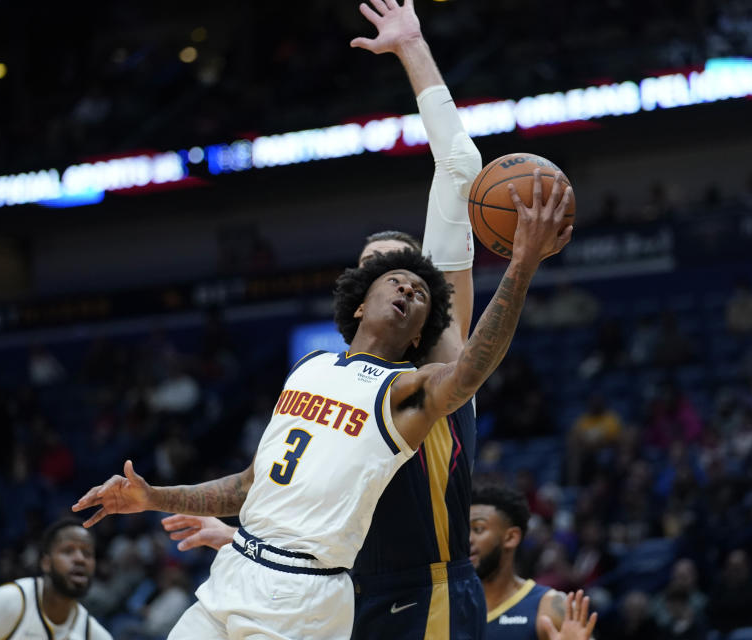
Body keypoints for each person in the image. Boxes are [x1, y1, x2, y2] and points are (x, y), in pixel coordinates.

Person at [72, 153, 573, 640]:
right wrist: (152, 497)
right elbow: (250, 485)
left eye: (420, 294)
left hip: (304, 598)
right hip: (235, 572)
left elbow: (470, 370)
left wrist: (521, 265)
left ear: (421, 335)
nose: (406, 291)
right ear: (359, 306)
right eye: (395, 282)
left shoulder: (404, 394)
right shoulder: (308, 370)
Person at [163, 0, 489, 635]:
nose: (387, 280)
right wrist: (240, 538)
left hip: (426, 589)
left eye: (401, 268)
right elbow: (301, 500)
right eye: (370, 271)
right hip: (334, 594)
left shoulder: (439, 351)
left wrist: (411, 48)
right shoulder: (324, 376)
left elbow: (459, 169)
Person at [0, 518, 111, 640]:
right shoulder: (8, 601)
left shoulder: (94, 634)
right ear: (46, 563)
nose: (80, 559)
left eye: (87, 553)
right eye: (68, 551)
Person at [469, 484, 566, 640]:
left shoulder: (550, 607)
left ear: (511, 537)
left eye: (478, 529)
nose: (467, 539)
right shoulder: (445, 607)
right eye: (462, 531)